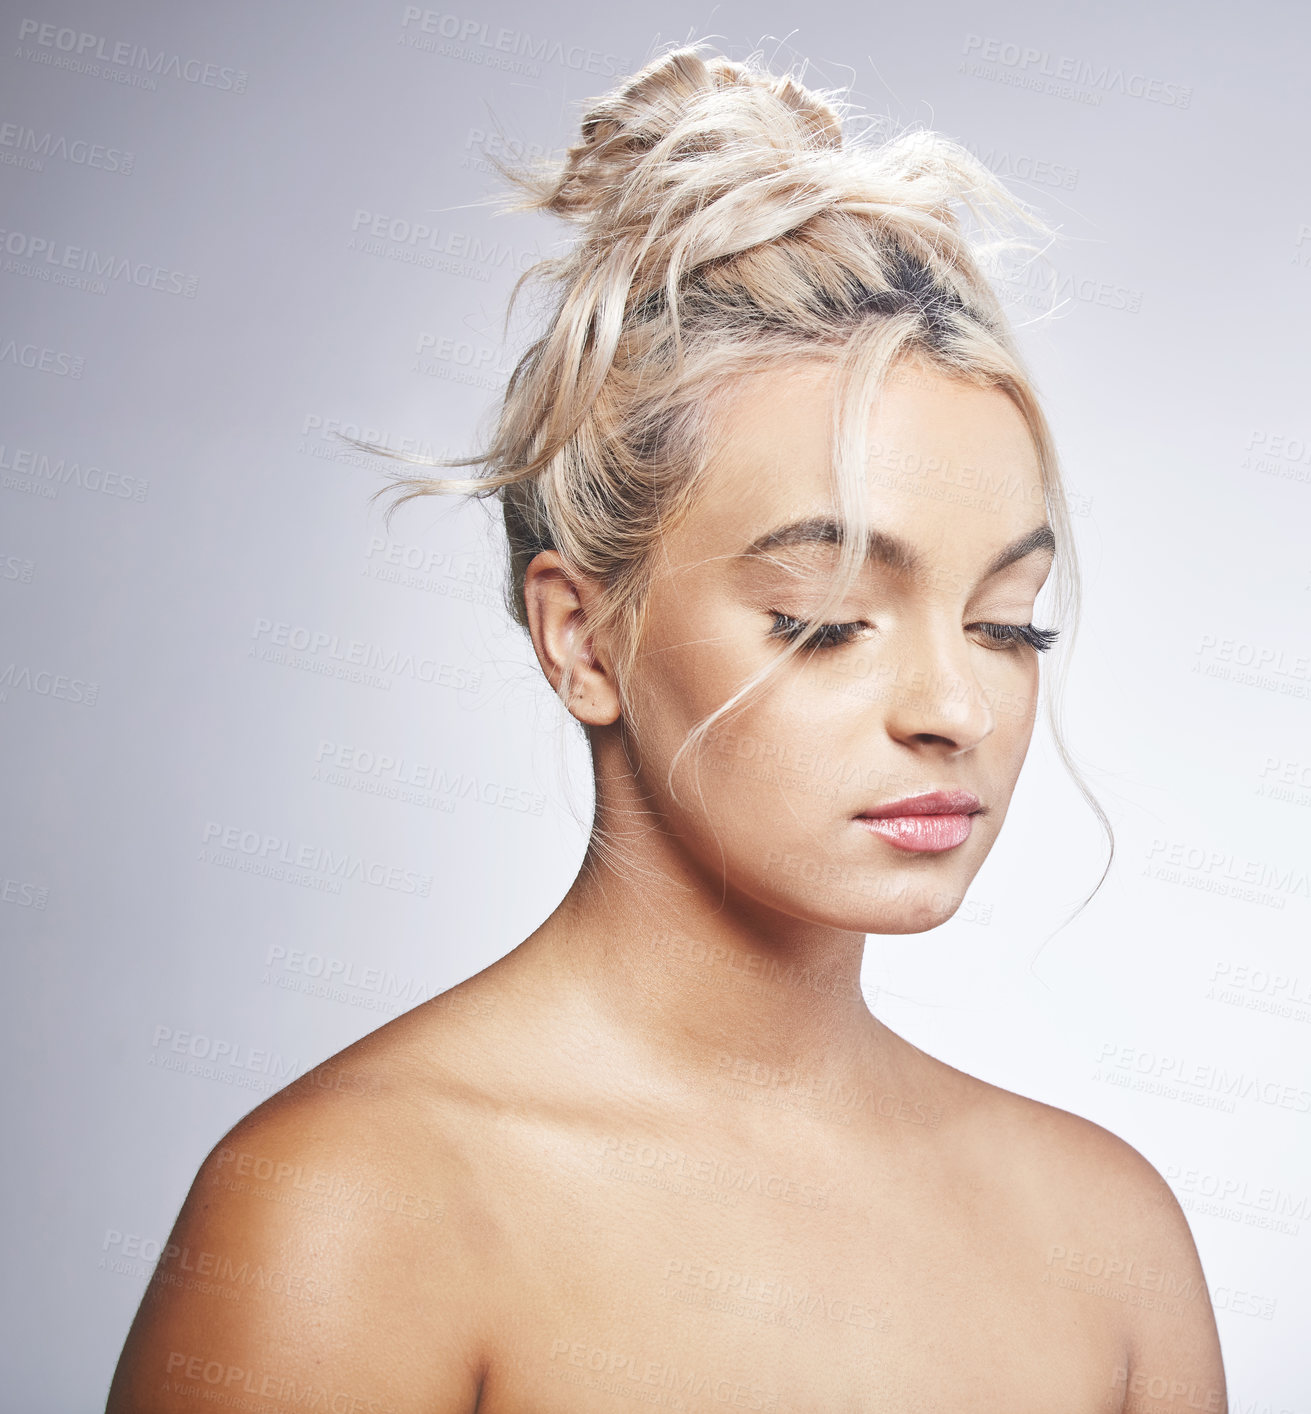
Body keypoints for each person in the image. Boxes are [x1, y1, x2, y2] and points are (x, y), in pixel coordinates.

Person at [107, 43, 1227, 1414]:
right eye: (823, 617)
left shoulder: (1104, 1239)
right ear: (580, 636)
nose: (954, 709)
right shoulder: (352, 1211)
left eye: (1008, 621)